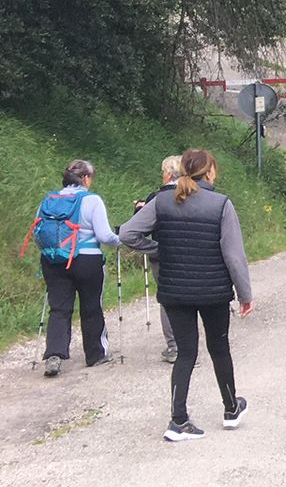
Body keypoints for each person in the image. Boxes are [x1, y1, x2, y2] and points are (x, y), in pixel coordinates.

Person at [118, 148, 252, 443]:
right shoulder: (221, 204)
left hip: (174, 290)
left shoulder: (162, 202)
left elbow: (128, 234)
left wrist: (159, 251)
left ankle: (178, 420)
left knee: (185, 353)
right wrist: (245, 293)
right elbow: (234, 256)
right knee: (219, 349)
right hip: (213, 291)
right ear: (209, 172)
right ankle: (231, 410)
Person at [28, 159, 122, 376]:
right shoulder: (92, 200)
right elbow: (104, 236)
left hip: (53, 260)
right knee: (91, 306)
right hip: (87, 260)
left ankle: (54, 354)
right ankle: (96, 354)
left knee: (59, 308)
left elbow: (37, 231)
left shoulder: (49, 199)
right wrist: (121, 240)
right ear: (86, 178)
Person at [132, 155, 185, 363]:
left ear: (169, 174)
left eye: (163, 172)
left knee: (167, 299)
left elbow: (136, 229)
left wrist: (139, 209)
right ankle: (188, 343)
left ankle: (174, 346)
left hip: (162, 255)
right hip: (189, 253)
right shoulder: (193, 195)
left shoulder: (157, 197)